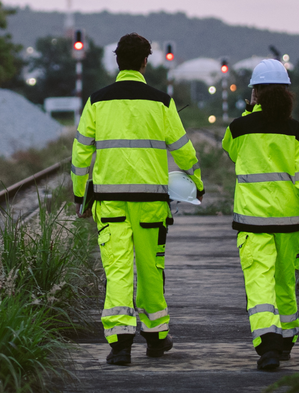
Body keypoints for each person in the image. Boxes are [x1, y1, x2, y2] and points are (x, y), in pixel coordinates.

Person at [71, 33, 204, 366]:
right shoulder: (161, 101)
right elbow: (183, 149)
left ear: (117, 61)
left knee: (117, 271)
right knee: (150, 269)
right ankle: (157, 338)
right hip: (150, 202)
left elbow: (80, 153)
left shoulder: (96, 101)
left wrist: (79, 195)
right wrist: (197, 183)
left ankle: (120, 345)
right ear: (146, 61)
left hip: (110, 202)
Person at [221, 58, 299, 372]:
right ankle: (287, 340)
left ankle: (267, 345)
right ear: (287, 94)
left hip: (253, 223)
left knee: (259, 283)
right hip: (290, 223)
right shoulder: (297, 132)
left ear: (255, 93)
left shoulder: (239, 128)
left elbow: (231, 151)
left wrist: (250, 112)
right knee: (284, 283)